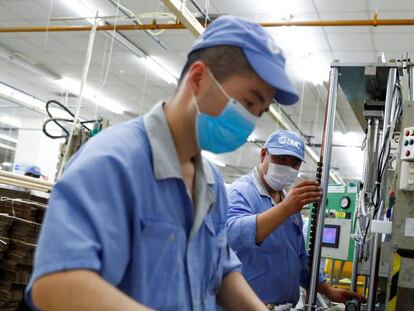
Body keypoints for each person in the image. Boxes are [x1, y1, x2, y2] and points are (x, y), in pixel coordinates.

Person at [26, 16, 300, 310]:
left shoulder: (211, 183)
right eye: (248, 103)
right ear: (198, 78)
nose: (249, 122)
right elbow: (56, 285)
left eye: (258, 112)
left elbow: (221, 269)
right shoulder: (113, 163)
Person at [226, 130, 365, 306]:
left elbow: (299, 260)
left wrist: (327, 290)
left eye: (295, 163)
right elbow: (231, 236)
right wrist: (286, 208)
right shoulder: (240, 192)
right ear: (263, 155)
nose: (288, 167)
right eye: (281, 159)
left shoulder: (290, 207)